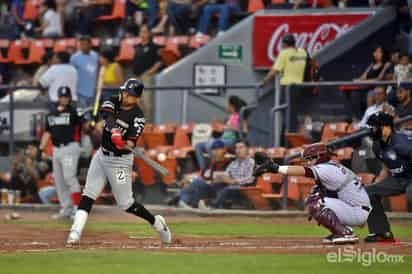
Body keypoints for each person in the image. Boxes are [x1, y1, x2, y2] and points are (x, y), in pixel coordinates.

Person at [67, 78, 171, 245]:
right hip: (101, 156)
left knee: (126, 204)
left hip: (120, 162)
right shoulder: (113, 100)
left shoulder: (138, 117)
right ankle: (75, 232)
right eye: (124, 91)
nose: (124, 95)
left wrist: (124, 142)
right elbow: (107, 115)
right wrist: (115, 131)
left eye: (129, 94)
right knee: (88, 194)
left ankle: (157, 223)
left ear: (136, 98)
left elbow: (131, 142)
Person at [254, 142, 371, 244]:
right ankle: (341, 230)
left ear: (319, 156)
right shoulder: (332, 166)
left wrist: (275, 168)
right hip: (355, 207)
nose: (309, 162)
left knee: (316, 203)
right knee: (316, 193)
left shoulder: (327, 168)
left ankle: (345, 233)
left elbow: (303, 171)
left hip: (356, 210)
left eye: (310, 159)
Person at [364, 112, 412, 242]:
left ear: (387, 128)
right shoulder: (377, 145)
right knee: (368, 192)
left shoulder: (401, 143)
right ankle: (381, 232)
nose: (372, 130)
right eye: (372, 127)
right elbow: (386, 165)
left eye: (375, 127)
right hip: (397, 179)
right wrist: (378, 182)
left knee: (411, 195)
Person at [40, 86, 83, 219]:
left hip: (70, 148)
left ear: (69, 98)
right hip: (56, 149)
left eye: (66, 97)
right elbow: (47, 132)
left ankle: (77, 209)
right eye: (62, 97)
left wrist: (90, 122)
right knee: (59, 180)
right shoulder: (51, 114)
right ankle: (66, 209)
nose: (64, 99)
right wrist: (41, 147)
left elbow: (84, 125)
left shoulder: (74, 111)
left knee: (69, 177)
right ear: (58, 98)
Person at [181, 140, 254, 209]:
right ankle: (186, 202)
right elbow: (224, 175)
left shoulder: (251, 162)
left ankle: (210, 206)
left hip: (240, 189)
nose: (238, 150)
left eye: (241, 148)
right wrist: (220, 178)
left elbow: (250, 179)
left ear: (247, 149)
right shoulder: (233, 163)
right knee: (197, 182)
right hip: (222, 186)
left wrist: (232, 181)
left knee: (226, 188)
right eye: (236, 148)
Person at [195, 95, 246, 170]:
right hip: (222, 139)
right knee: (198, 146)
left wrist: (228, 127)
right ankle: (203, 169)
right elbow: (224, 127)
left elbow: (244, 130)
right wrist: (218, 123)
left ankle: (214, 168)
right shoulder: (230, 117)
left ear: (232, 106)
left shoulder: (240, 116)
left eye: (228, 104)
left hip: (230, 140)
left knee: (211, 145)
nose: (227, 106)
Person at [178, 139, 232, 209]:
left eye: (218, 149)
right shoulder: (211, 164)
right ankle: (186, 202)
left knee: (197, 182)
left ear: (224, 150)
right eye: (214, 149)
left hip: (220, 189)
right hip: (209, 188)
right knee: (192, 182)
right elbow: (204, 176)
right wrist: (190, 178)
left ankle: (183, 201)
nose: (215, 152)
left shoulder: (229, 162)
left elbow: (226, 179)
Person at [132, 24, 163, 122]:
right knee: (137, 102)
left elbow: (159, 62)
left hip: (146, 77)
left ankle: (148, 125)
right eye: (141, 32)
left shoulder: (154, 47)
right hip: (136, 77)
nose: (142, 34)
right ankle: (139, 124)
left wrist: (150, 72)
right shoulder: (137, 47)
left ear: (149, 34)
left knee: (147, 103)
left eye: (144, 32)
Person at [70, 35, 99, 108]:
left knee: (94, 115)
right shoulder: (74, 58)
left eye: (85, 44)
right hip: (80, 92)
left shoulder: (96, 56)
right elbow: (72, 74)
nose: (83, 46)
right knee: (83, 115)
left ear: (90, 44)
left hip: (94, 91)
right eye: (81, 44)